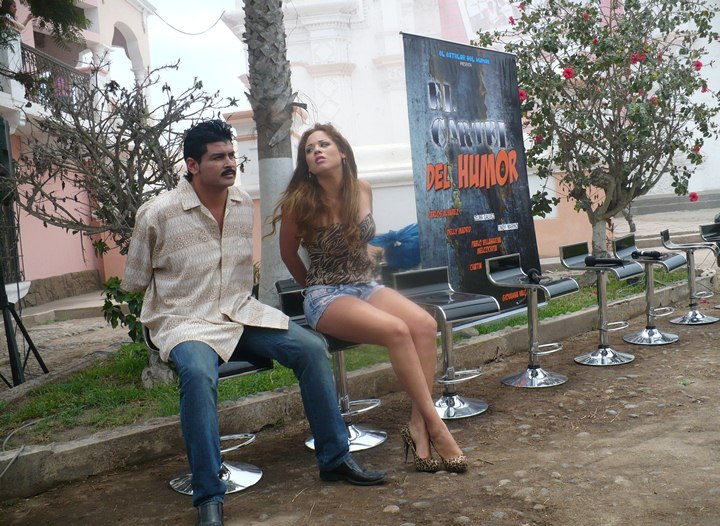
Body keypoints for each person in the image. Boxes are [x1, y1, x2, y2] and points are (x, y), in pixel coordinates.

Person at [123, 120, 385, 526]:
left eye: (231, 155)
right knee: (198, 374)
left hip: (240, 313)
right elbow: (135, 280)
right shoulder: (157, 213)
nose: (230, 163)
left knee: (311, 349)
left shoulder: (243, 203)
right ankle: (209, 496)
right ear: (192, 165)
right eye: (218, 157)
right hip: (185, 321)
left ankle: (335, 458)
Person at [271, 123, 468, 474]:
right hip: (326, 294)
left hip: (365, 285)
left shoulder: (362, 189)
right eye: (309, 150)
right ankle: (437, 427)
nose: (316, 151)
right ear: (307, 164)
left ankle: (418, 426)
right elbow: (288, 255)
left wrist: (369, 259)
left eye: (323, 144)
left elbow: (362, 240)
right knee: (397, 330)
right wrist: (313, 287)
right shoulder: (299, 203)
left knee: (424, 324)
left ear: (342, 152)